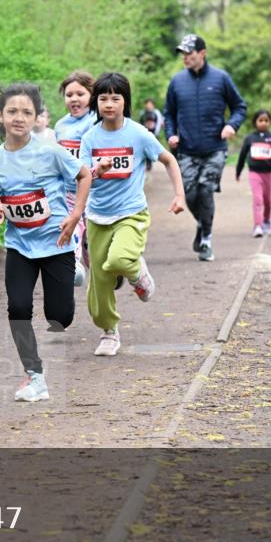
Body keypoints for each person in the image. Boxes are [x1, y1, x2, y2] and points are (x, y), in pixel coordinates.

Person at [0, 83, 92, 401]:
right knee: (17, 307)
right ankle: (35, 377)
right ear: (0, 116)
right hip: (20, 245)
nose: (19, 117)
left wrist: (75, 215)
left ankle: (72, 275)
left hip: (57, 242)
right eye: (12, 111)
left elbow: (84, 175)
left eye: (26, 112)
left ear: (36, 118)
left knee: (60, 316)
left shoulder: (51, 151)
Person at [80, 73, 186, 357]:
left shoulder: (138, 133)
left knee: (119, 259)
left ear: (125, 101)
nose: (109, 104)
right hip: (98, 216)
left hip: (131, 213)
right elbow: (80, 177)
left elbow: (168, 159)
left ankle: (139, 277)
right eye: (103, 98)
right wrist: (95, 171)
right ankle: (109, 332)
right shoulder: (89, 138)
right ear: (96, 102)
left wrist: (179, 194)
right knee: (100, 280)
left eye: (116, 98)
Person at [164, 34, 247, 262]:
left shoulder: (221, 78)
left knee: (205, 189)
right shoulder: (177, 82)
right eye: (183, 54)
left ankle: (206, 239)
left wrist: (232, 125)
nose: (185, 58)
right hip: (187, 149)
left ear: (202, 53)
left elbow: (239, 106)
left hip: (214, 148)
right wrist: (170, 134)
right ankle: (203, 224)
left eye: (189, 54)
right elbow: (168, 113)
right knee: (189, 193)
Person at [54, 70, 98, 287]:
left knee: (93, 234)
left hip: (95, 189)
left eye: (80, 94)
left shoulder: (95, 122)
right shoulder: (61, 125)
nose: (74, 99)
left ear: (91, 95)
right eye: (69, 95)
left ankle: (103, 267)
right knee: (73, 224)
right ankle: (75, 263)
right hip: (68, 190)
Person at [235, 109, 271, 237]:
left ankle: (266, 220)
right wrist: (238, 171)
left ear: (270, 122)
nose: (263, 123)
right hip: (254, 173)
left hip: (268, 174)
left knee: (267, 200)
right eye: (260, 120)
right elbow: (242, 155)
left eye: (266, 121)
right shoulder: (250, 138)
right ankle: (258, 225)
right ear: (255, 122)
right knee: (258, 199)